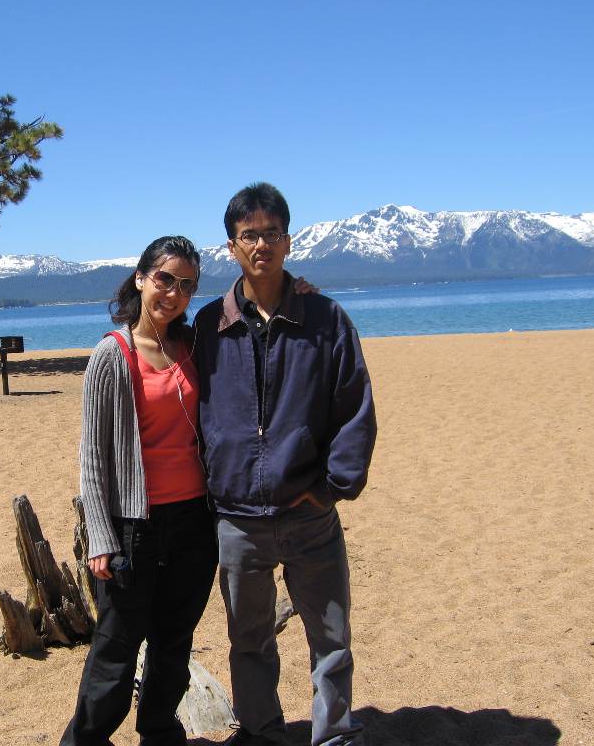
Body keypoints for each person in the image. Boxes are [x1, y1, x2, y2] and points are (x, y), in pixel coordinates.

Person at [193, 183, 377, 746]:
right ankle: (261, 732)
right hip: (237, 519)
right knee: (248, 641)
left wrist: (331, 487)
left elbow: (354, 407)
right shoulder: (209, 326)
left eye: (272, 233)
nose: (262, 245)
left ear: (289, 241)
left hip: (309, 513)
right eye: (249, 235)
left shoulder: (325, 318)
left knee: (331, 638)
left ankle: (334, 735)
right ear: (232, 247)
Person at [61, 235, 218, 746]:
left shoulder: (194, 345)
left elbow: (251, 314)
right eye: (165, 279)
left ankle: (159, 731)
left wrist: (295, 290)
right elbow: (93, 457)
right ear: (141, 278)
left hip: (195, 521)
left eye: (186, 285)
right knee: (116, 646)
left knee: (174, 642)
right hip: (135, 527)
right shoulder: (113, 353)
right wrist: (100, 537)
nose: (174, 293)